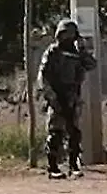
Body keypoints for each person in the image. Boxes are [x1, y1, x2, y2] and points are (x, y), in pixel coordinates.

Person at [38, 19, 98, 179]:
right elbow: (42, 77)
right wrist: (51, 96)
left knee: (74, 133)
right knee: (55, 132)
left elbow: (92, 65)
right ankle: (52, 167)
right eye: (66, 35)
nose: (68, 38)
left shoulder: (77, 54)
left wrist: (83, 50)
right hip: (57, 95)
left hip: (72, 96)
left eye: (71, 35)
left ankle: (73, 165)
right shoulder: (52, 52)